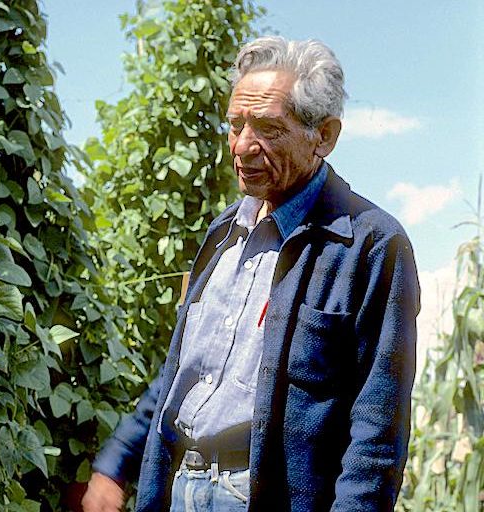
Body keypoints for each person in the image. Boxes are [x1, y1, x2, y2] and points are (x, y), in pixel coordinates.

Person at [81, 36, 420, 512]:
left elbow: (377, 428)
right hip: (180, 485)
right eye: (235, 124)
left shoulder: (370, 244)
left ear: (323, 135)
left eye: (266, 127)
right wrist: (117, 461)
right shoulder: (225, 232)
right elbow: (185, 370)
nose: (242, 146)